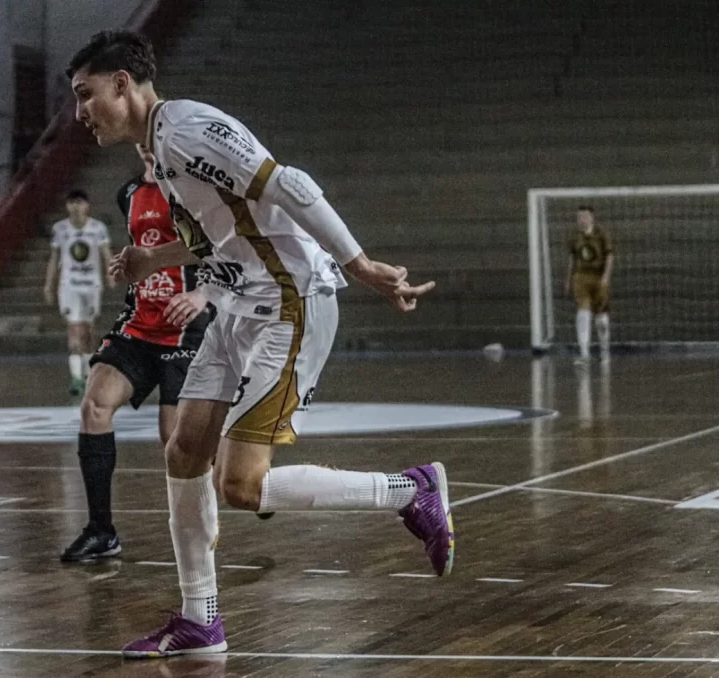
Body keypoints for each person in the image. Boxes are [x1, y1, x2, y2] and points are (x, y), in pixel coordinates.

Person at [67, 30, 449, 659]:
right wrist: (151, 258)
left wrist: (358, 264)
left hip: (289, 303)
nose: (81, 111)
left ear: (121, 83)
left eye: (86, 94)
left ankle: (411, 490)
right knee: (183, 451)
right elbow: (214, 236)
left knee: (241, 487)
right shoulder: (158, 150)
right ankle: (200, 620)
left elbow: (287, 183)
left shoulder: (187, 129)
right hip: (239, 305)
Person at [61, 146, 211, 563]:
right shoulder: (128, 193)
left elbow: (223, 249)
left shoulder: (193, 190)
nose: (147, 142)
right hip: (139, 324)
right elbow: (141, 251)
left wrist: (202, 293)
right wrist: (126, 266)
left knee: (175, 439)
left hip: (185, 328)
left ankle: (247, 479)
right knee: (94, 406)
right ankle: (101, 531)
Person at [43, 190, 114, 395]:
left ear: (87, 205)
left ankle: (89, 374)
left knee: (89, 331)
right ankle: (76, 378)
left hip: (91, 285)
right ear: (67, 206)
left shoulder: (97, 228)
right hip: (69, 286)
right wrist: (49, 284)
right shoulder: (60, 229)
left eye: (80, 202)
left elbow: (106, 253)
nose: (76, 206)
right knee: (74, 330)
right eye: (72, 202)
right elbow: (54, 258)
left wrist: (111, 273)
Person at [564, 205, 613, 362]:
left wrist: (606, 276)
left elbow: (609, 256)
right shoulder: (575, 237)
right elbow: (572, 259)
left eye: (584, 217)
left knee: (601, 317)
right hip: (581, 277)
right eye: (579, 217)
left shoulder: (601, 234)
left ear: (592, 217)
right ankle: (584, 352)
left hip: (598, 277)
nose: (581, 220)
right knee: (583, 314)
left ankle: (604, 350)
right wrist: (568, 279)